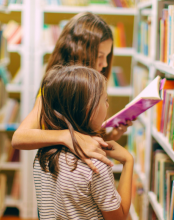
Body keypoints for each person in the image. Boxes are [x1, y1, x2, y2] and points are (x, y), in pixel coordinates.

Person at [12, 12, 133, 173]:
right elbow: (19, 137)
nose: (104, 64)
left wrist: (109, 136)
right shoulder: (54, 88)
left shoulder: (87, 87)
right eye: (99, 56)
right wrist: (67, 136)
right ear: (81, 52)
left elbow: (83, 143)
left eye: (107, 56)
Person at [34, 65, 133, 220]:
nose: (107, 105)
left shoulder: (43, 153)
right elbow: (118, 218)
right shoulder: (95, 164)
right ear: (88, 109)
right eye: (105, 100)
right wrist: (128, 161)